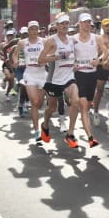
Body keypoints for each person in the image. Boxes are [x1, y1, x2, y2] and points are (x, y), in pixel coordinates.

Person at [37, 15, 81, 148]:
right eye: (62, 24)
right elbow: (41, 60)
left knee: (75, 101)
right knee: (52, 108)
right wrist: (59, 56)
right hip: (54, 79)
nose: (65, 26)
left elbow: (75, 56)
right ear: (57, 26)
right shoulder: (52, 41)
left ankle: (70, 134)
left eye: (67, 23)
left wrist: (76, 64)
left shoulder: (72, 40)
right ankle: (45, 125)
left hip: (69, 77)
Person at [12, 21, 47, 143]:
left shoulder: (44, 41)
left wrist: (46, 60)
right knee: (34, 101)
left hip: (42, 74)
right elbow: (15, 54)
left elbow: (51, 52)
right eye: (31, 29)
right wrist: (15, 61)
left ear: (38, 30)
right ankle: (37, 131)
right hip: (30, 73)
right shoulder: (22, 42)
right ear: (28, 30)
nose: (33, 31)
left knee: (40, 104)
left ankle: (41, 124)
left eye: (35, 29)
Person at [70, 13, 100, 148]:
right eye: (84, 22)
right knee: (84, 107)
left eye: (89, 22)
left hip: (92, 75)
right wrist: (73, 64)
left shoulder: (96, 38)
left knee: (86, 105)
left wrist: (99, 60)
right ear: (79, 23)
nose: (86, 24)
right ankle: (90, 137)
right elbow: (68, 55)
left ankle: (71, 131)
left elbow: (106, 52)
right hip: (79, 75)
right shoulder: (73, 39)